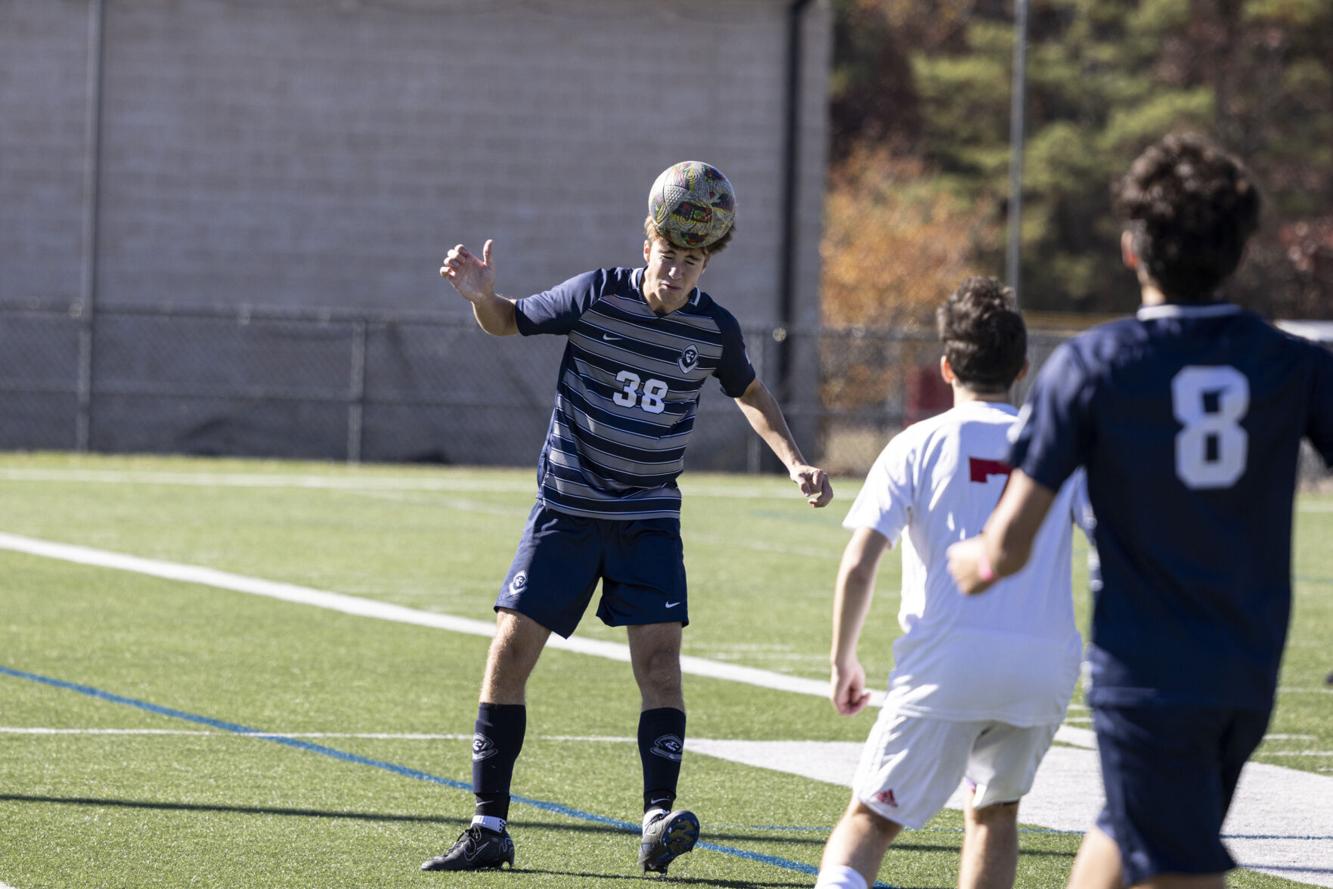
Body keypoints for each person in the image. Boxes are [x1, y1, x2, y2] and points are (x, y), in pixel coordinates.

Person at [422, 162, 834, 874]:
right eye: (668, 255)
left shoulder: (712, 329)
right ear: (648, 242)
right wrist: (479, 296)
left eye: (692, 260)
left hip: (647, 520)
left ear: (706, 263)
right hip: (568, 510)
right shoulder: (595, 294)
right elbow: (509, 320)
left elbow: (752, 393)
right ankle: (488, 823)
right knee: (509, 651)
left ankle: (655, 818)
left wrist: (794, 460)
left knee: (660, 667)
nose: (676, 270)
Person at [948, 134, 1333, 889]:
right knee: (1131, 831)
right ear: (1242, 249)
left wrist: (975, 557)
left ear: (1131, 248)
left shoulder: (1095, 363)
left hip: (1147, 675)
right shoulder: (1293, 361)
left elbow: (1012, 541)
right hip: (1247, 669)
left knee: (1176, 863)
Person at [814, 277, 1091, 889]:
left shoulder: (916, 443)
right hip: (1042, 667)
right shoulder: (1059, 446)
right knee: (994, 813)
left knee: (872, 818)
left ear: (945, 367)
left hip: (947, 663)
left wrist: (843, 660)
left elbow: (861, 560)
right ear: (1022, 369)